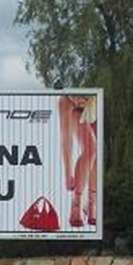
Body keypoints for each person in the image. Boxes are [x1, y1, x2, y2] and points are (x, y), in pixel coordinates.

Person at [58, 95, 96, 227]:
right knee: (91, 148)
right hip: (76, 108)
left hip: (95, 105)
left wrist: (88, 101)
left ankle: (91, 203)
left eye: (84, 98)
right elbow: (66, 138)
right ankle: (76, 202)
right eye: (78, 98)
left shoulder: (92, 98)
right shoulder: (65, 101)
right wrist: (68, 174)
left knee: (97, 149)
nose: (81, 101)